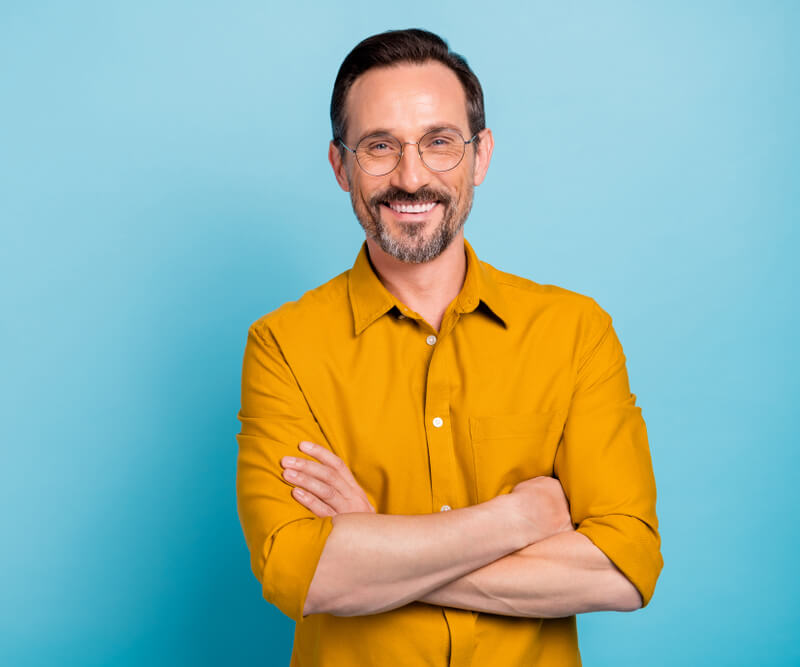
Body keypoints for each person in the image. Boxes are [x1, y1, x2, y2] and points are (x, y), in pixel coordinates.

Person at [235, 28, 662, 666]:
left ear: (481, 155)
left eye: (440, 143)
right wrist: (517, 521)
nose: (412, 178)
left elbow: (623, 572)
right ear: (340, 164)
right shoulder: (283, 345)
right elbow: (304, 575)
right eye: (379, 147)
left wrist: (374, 549)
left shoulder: (574, 331)